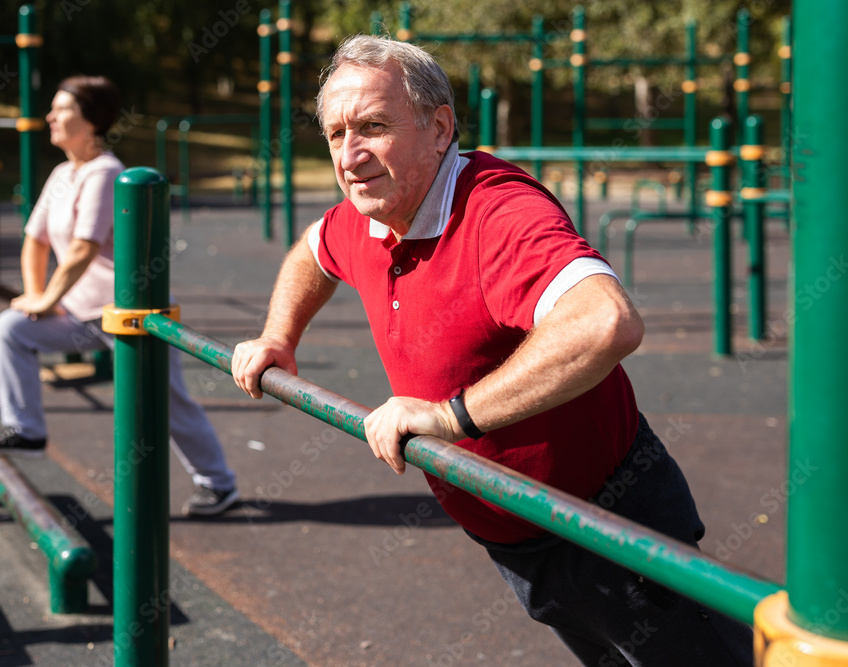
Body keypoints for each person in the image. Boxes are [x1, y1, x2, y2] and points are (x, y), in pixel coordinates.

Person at [231, 36, 752, 665]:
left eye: (373, 126)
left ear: (439, 127)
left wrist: (451, 417)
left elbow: (606, 323)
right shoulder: (369, 213)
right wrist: (279, 337)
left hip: (603, 522)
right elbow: (316, 249)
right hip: (517, 531)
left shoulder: (496, 214)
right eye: (336, 134)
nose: (351, 154)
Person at [0, 75, 239, 517]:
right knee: (12, 329)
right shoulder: (61, 173)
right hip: (79, 314)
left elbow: (82, 247)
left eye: (62, 110)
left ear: (91, 121)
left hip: (130, 313)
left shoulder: (107, 172)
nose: (50, 116)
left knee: (167, 402)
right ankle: (26, 430)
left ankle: (219, 485)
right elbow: (35, 240)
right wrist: (40, 296)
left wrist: (46, 296)